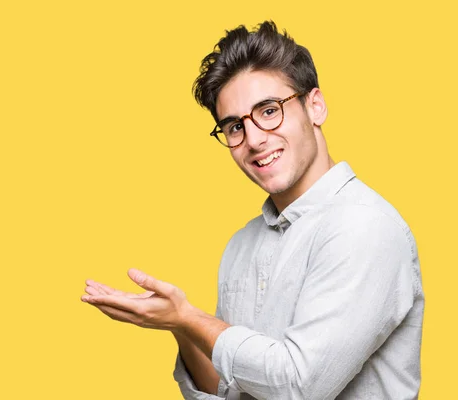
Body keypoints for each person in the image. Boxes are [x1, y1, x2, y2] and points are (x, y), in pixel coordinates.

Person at [81, 20, 424, 399]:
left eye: (268, 110)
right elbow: (227, 388)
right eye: (233, 127)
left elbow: (297, 386)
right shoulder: (240, 245)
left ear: (315, 106)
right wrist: (178, 325)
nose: (255, 140)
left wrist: (190, 317)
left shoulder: (364, 226)